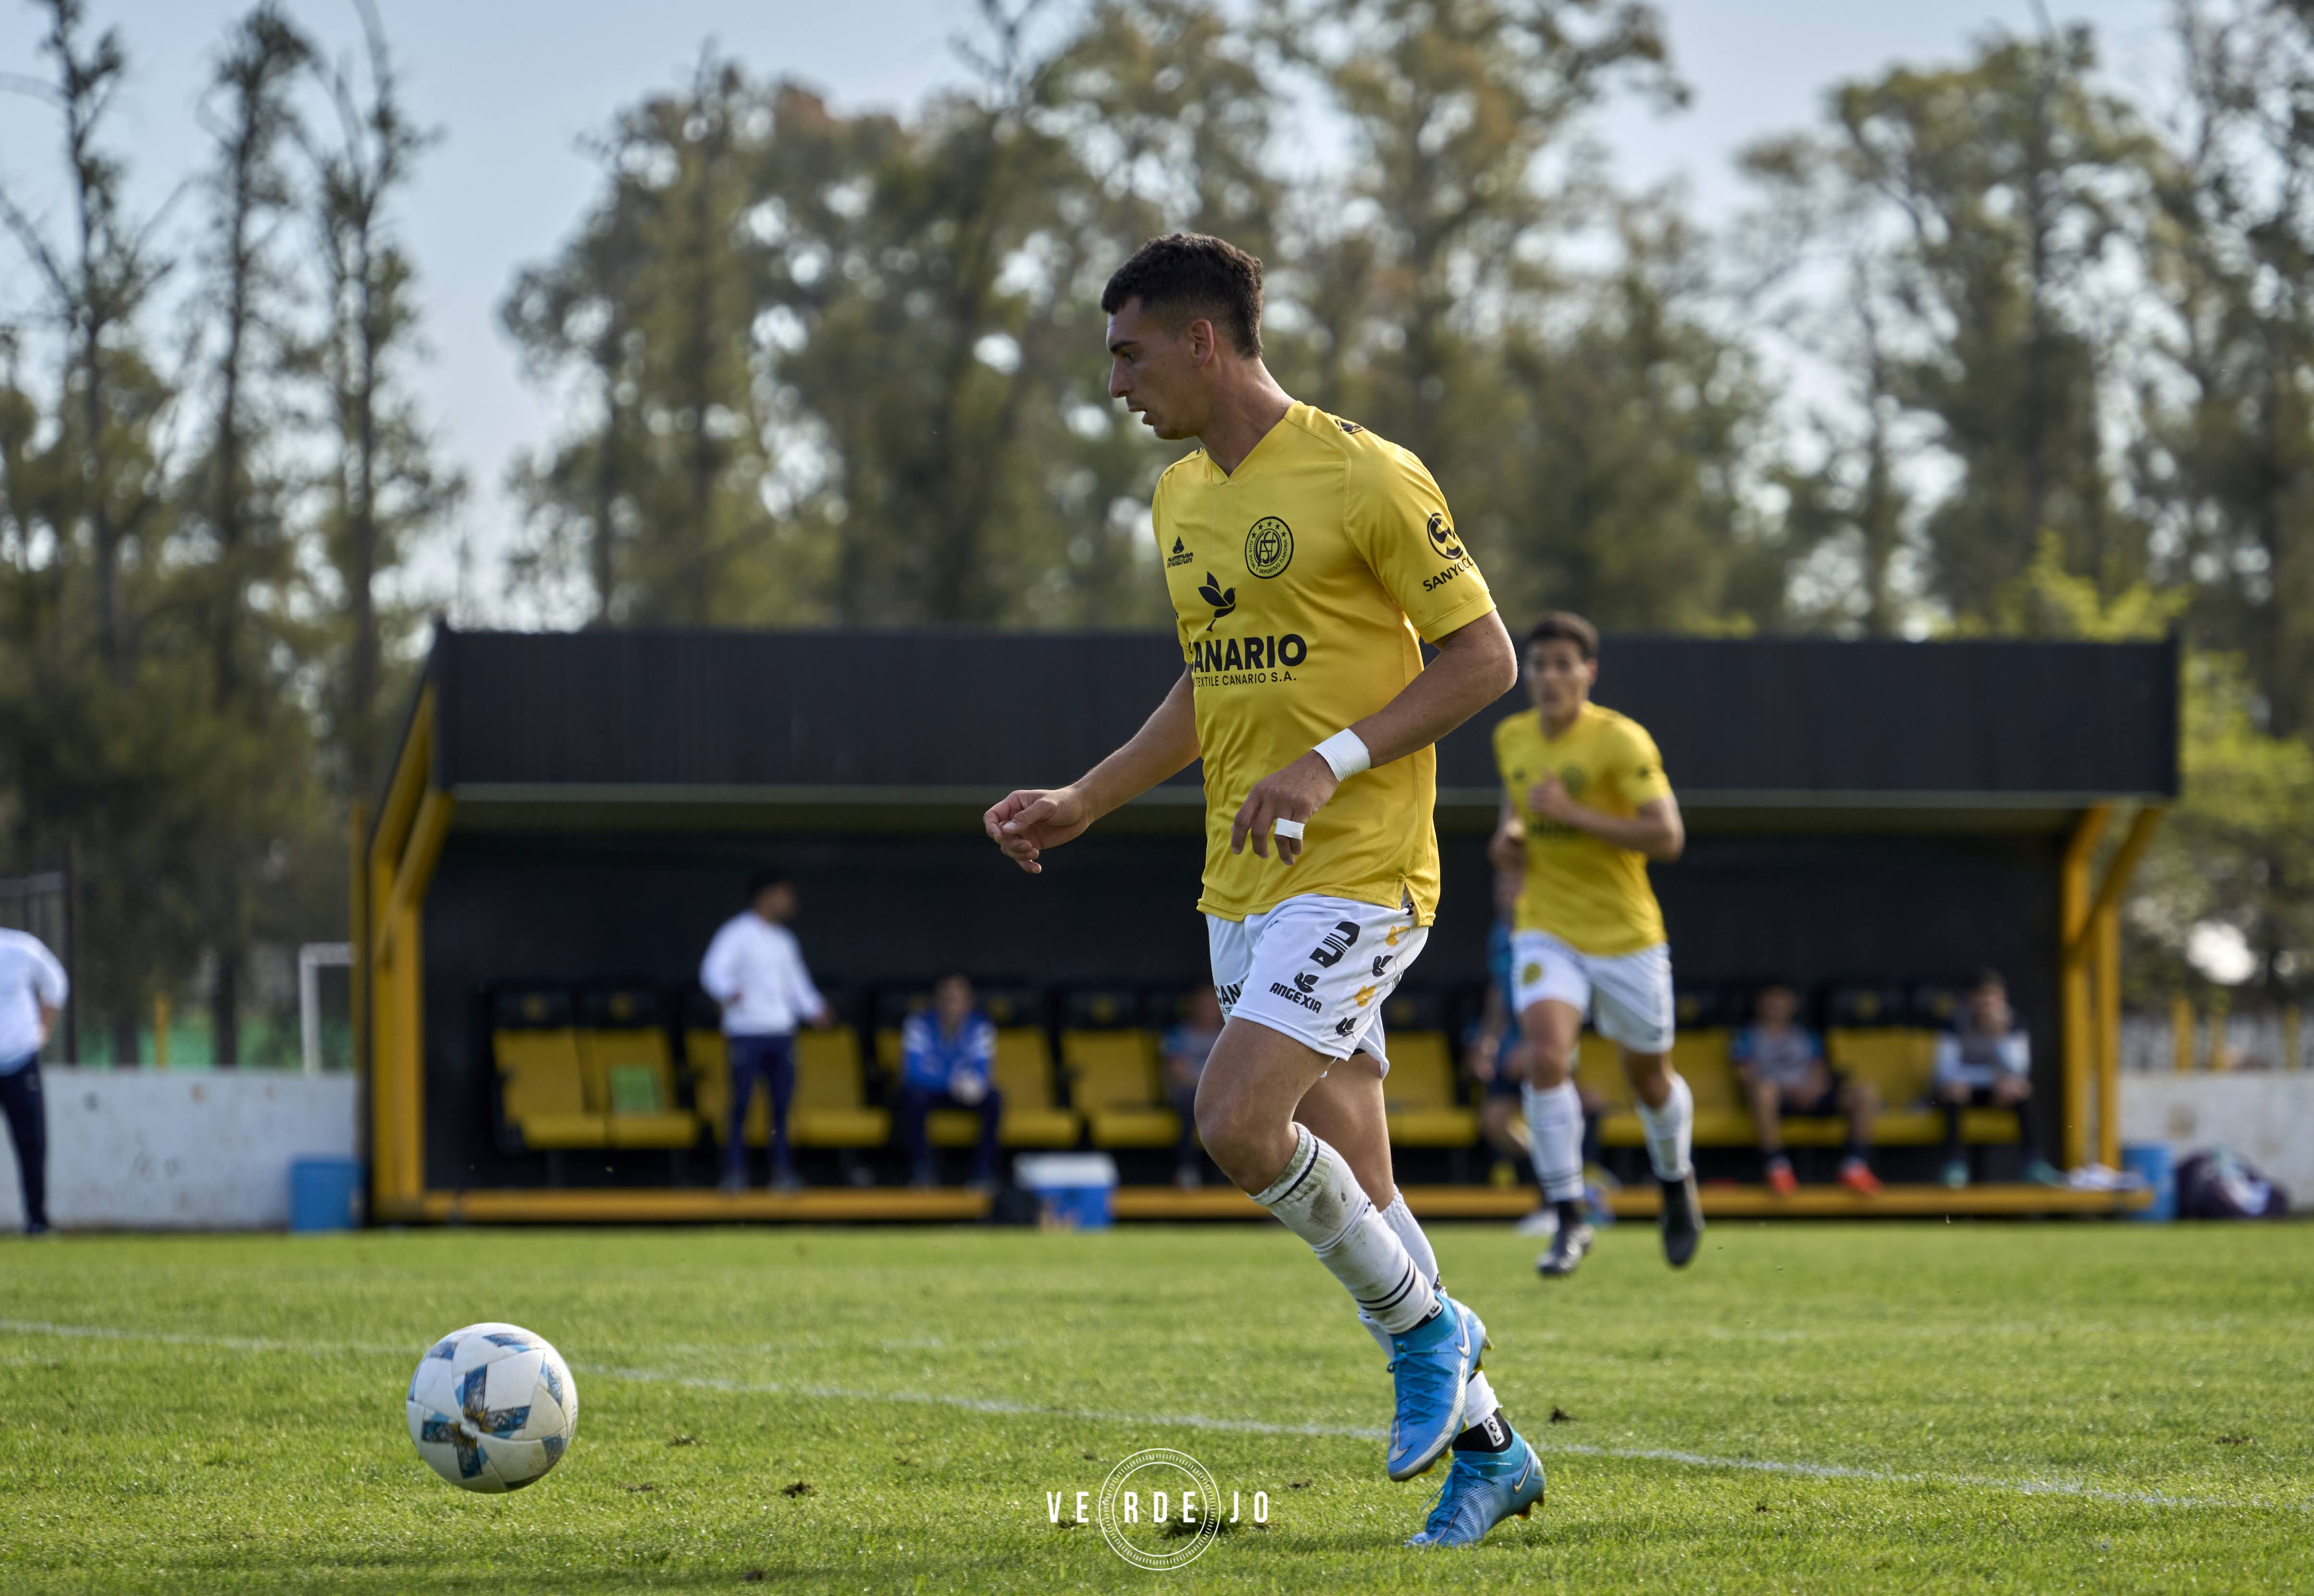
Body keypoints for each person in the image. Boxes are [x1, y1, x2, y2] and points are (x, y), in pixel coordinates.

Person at [984, 233, 1541, 1548]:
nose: (1113, 383)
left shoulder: (1364, 474)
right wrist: (1082, 798)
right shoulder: (1180, 495)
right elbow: (1207, 683)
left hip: (1359, 867)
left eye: (1126, 353)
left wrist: (1324, 762)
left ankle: (1423, 1338)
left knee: (1235, 1122)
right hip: (1239, 883)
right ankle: (1492, 1451)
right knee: (1359, 1176)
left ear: (1201, 340)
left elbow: (1484, 659)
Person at [1492, 612, 1697, 1282]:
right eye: (1538, 664)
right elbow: (1514, 819)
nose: (1548, 677)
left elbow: (1667, 837)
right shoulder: (1511, 737)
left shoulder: (1618, 740)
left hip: (1625, 935)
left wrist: (1574, 814)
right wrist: (1509, 848)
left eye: (1561, 664)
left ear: (1587, 673)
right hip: (1546, 927)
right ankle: (1567, 1216)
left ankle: (1674, 1180)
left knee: (1649, 1078)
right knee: (1545, 1055)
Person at [698, 870, 832, 1195]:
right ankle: (734, 1174)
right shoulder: (736, 933)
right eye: (784, 894)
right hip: (745, 1032)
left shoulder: (785, 940)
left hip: (781, 1033)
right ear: (766, 895)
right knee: (741, 1105)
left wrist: (814, 1009)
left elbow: (797, 984)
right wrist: (729, 991)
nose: (790, 901)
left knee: (782, 1108)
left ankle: (781, 1174)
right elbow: (711, 971)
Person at [1732, 982, 1882, 1197]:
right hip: (1777, 1100)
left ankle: (1855, 1166)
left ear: (1792, 1005)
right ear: (1759, 1005)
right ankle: (1777, 1167)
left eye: (1781, 1000)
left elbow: (1820, 1071)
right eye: (1770, 1000)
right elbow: (1747, 1077)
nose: (1776, 1006)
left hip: (1811, 1097)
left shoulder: (1807, 1037)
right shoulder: (1747, 1037)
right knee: (1764, 1092)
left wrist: (1813, 1089)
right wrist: (1787, 1090)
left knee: (1865, 1092)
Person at [897, 975, 1003, 1191]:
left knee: (994, 1099)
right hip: (930, 1094)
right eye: (946, 999)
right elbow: (913, 1073)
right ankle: (922, 1173)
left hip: (963, 1095)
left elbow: (983, 1072)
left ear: (968, 1003)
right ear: (937, 1001)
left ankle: (982, 1175)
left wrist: (971, 1084)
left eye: (956, 999)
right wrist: (953, 1082)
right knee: (912, 1097)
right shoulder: (919, 1024)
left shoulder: (980, 1027)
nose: (950, 1006)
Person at [1933, 970, 2037, 1189]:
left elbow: (2019, 1070)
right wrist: (1992, 1077)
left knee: (2021, 1090)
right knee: (1954, 1091)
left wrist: (1999, 1036)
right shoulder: (1954, 1023)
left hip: (1997, 1095)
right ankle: (1955, 1165)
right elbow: (1945, 1072)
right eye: (1981, 997)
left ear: (2002, 1000)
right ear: (1971, 1000)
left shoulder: (2014, 1022)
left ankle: (2034, 1163)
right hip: (1963, 1093)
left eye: (1993, 997)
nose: (1987, 1004)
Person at [0, 927, 66, 1236]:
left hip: (20, 1060)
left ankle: (37, 1220)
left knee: (31, 1142)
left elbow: (56, 985)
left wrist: (43, 1030)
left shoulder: (22, 948)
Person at [1161, 987, 1224, 1190]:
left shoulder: (1229, 1035)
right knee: (1192, 1104)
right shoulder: (1179, 1035)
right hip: (1188, 1094)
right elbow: (1178, 1071)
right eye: (1203, 1004)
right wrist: (1209, 1087)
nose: (1208, 1009)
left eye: (1212, 1004)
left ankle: (1229, 1175)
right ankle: (1187, 1170)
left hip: (1220, 1096)